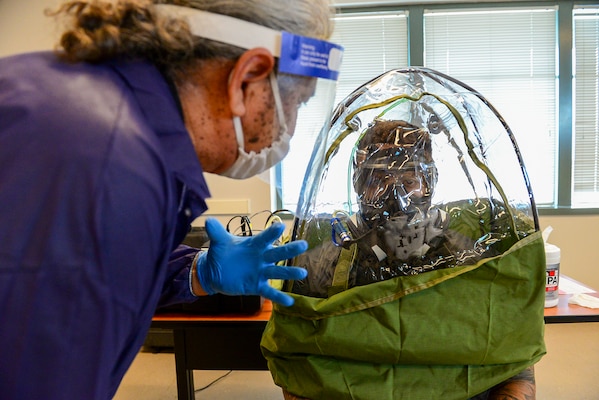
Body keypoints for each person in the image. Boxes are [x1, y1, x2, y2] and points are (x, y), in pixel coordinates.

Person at [0, 0, 341, 399]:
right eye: (297, 101)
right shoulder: (111, 163)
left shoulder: (76, 99)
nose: (293, 126)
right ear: (247, 77)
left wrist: (196, 272)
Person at [286, 118, 536, 399]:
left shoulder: (467, 258)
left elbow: (512, 354)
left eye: (408, 181)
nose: (397, 197)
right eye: (380, 181)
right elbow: (296, 357)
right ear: (358, 185)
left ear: (430, 183)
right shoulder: (325, 265)